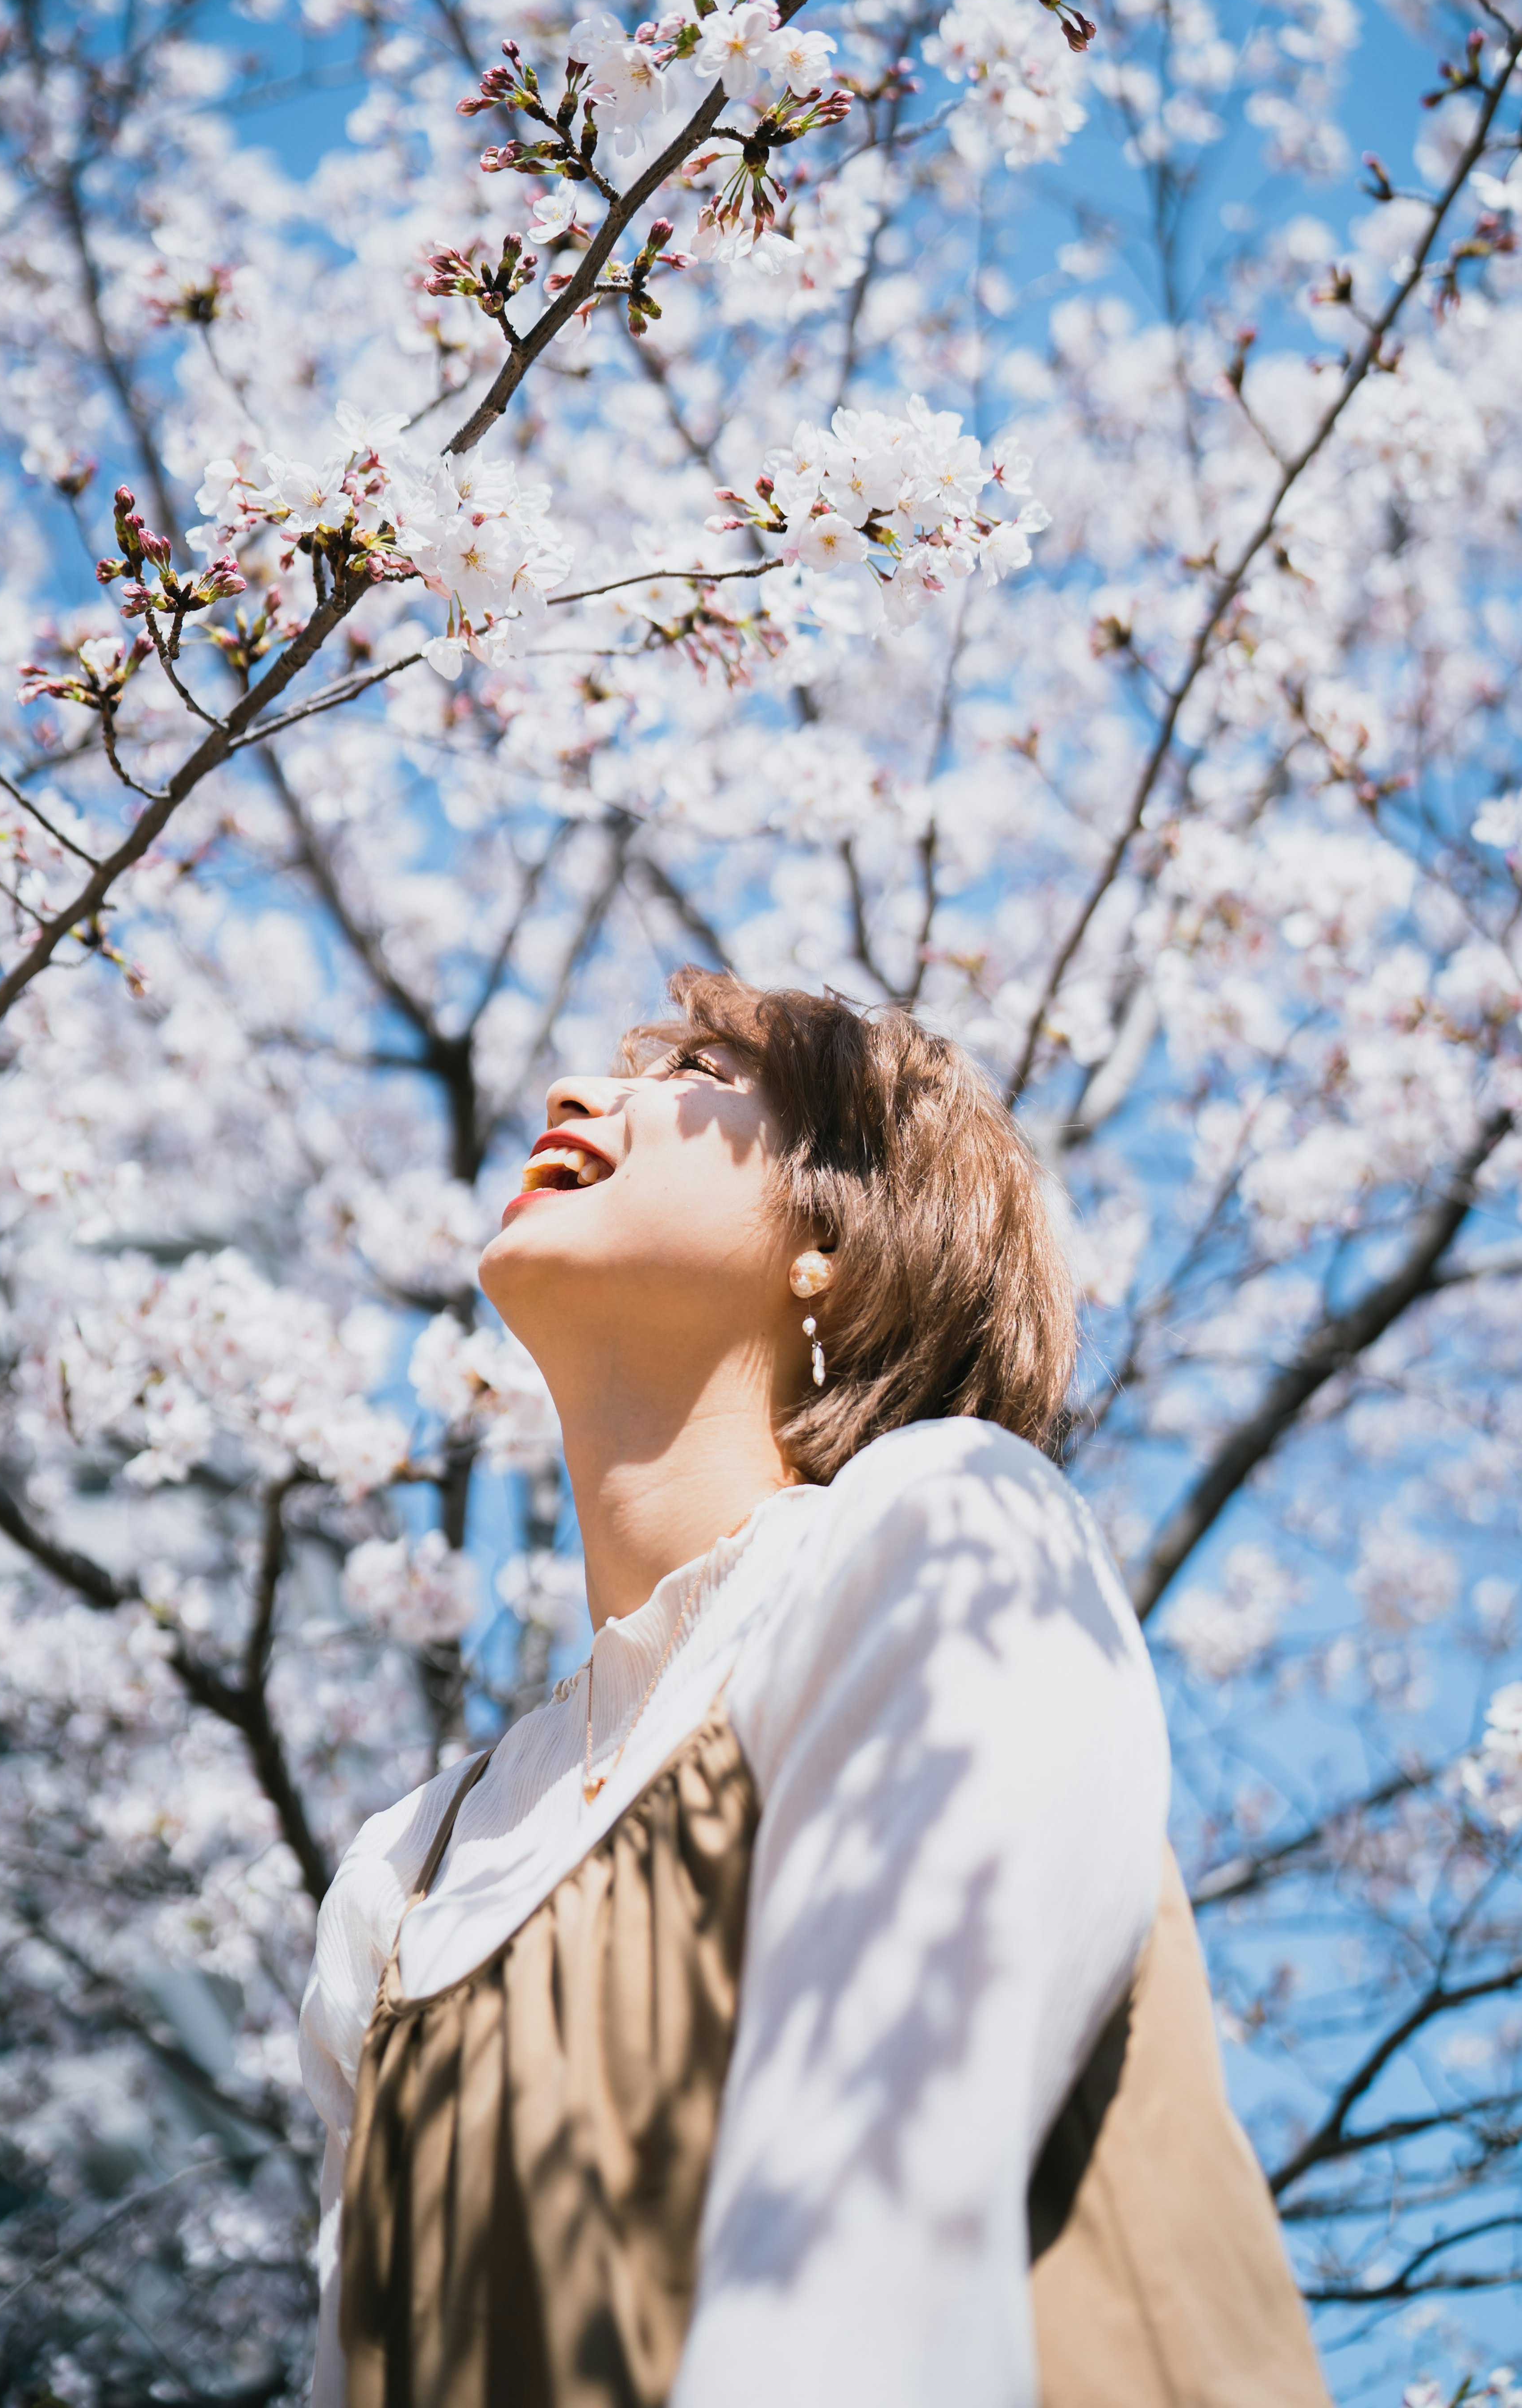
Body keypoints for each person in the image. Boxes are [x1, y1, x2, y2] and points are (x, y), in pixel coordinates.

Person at [300, 968, 1332, 2408]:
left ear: (831, 1241)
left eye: (705, 1072)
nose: (577, 1095)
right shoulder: (400, 1884)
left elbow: (876, 2248)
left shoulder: (948, 1531)